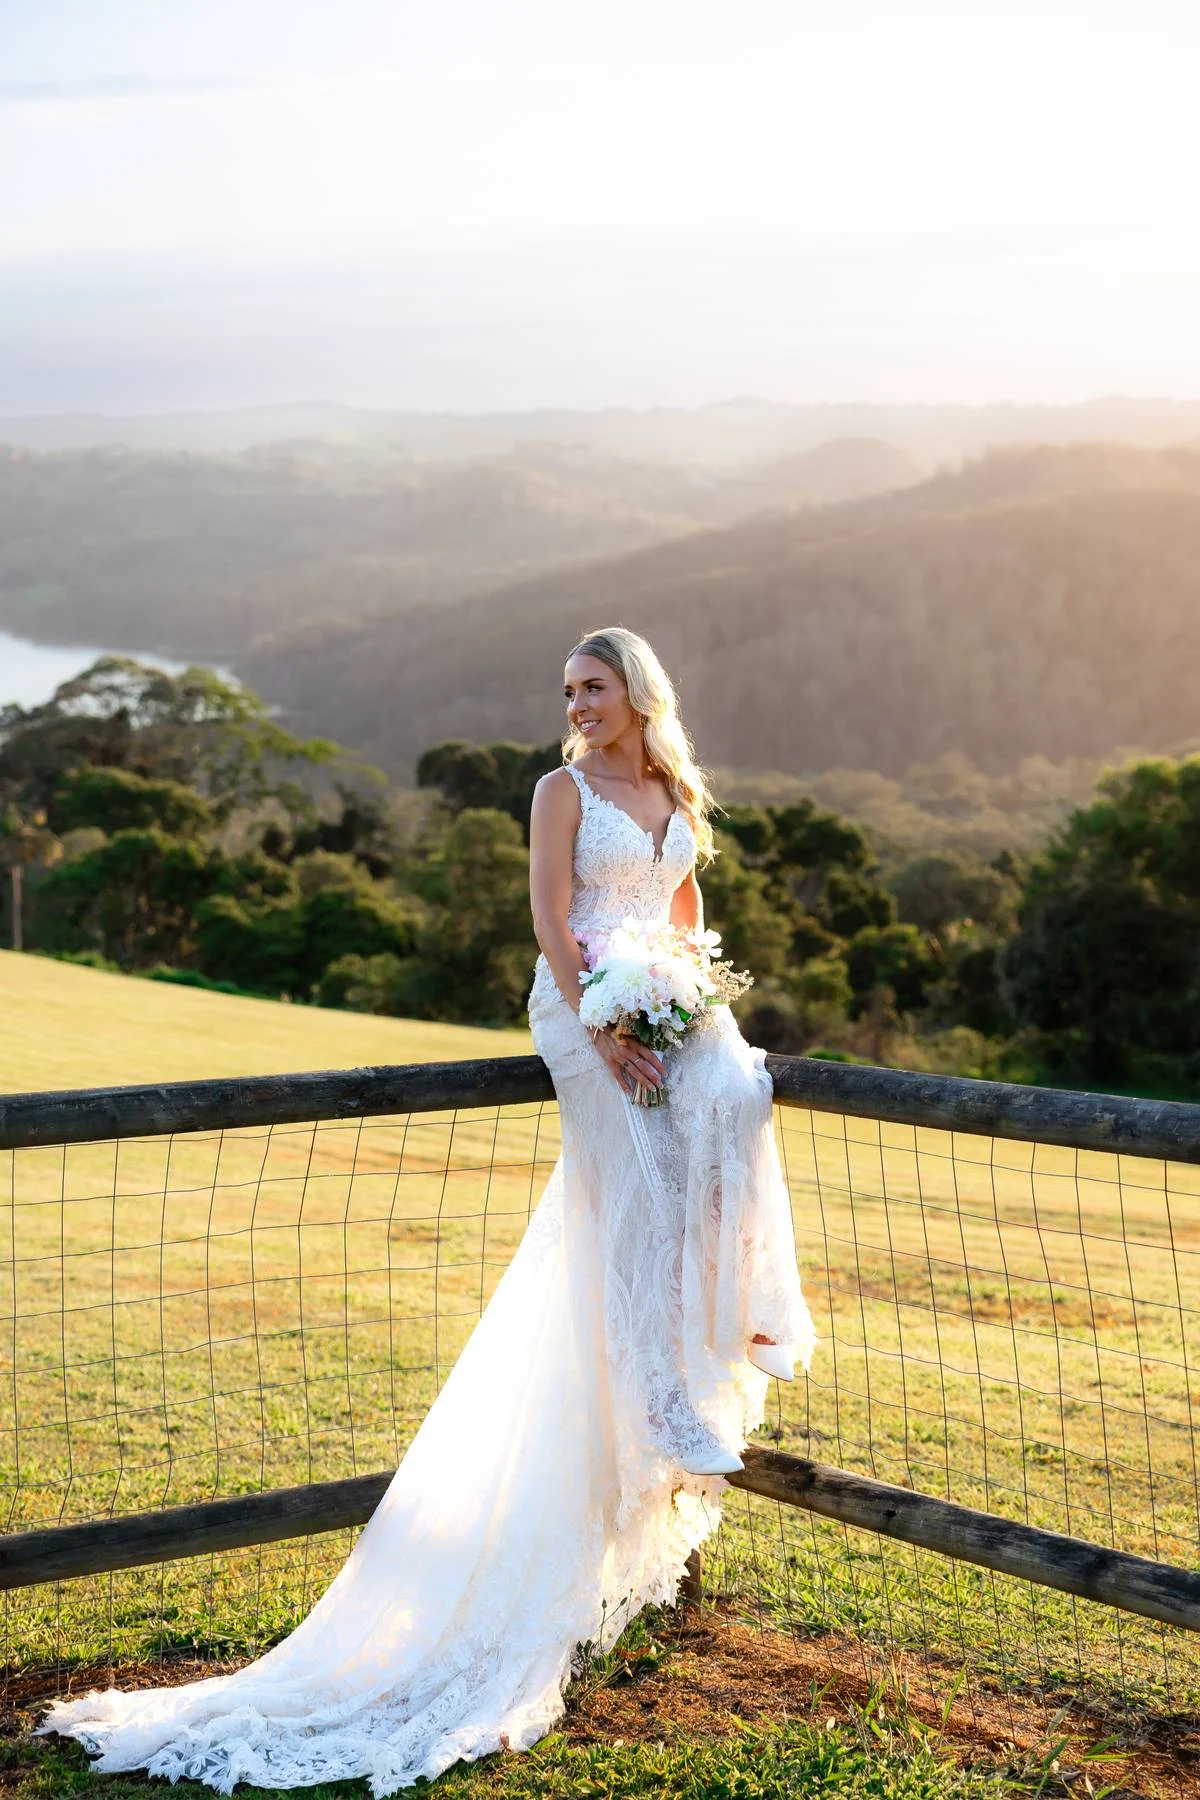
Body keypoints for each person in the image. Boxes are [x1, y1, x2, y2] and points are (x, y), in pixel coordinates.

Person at [40, 625, 816, 1796]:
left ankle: (740, 1321)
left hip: (656, 997)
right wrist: (604, 1027)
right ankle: (659, 1403)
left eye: (595, 686)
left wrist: (687, 992)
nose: (579, 703)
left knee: (738, 1096)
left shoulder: (670, 790)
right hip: (577, 1008)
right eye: (568, 689)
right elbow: (555, 923)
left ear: (639, 690)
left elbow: (686, 906)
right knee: (630, 1190)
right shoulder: (560, 790)